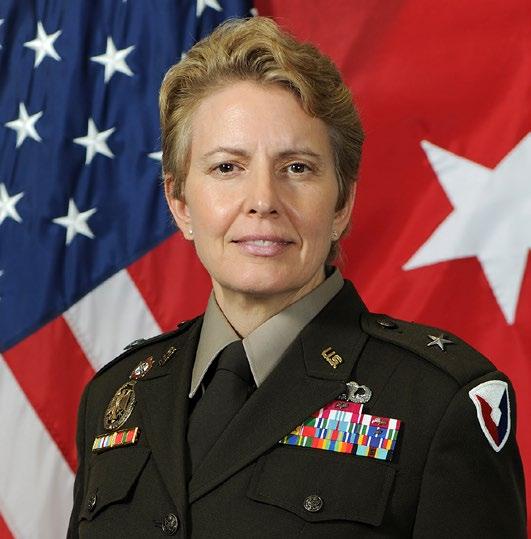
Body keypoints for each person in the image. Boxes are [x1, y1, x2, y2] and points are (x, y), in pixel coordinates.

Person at [68, 16, 526, 538]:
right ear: (180, 203)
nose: (263, 201)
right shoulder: (114, 397)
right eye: (227, 167)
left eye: (297, 168)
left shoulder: (438, 402)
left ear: (341, 204)